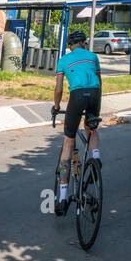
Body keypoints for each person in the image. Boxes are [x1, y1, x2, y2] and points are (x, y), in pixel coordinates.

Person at [51, 28, 102, 215]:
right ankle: (96, 159)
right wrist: (95, 110)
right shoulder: (93, 57)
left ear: (70, 46)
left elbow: (58, 90)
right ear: (83, 43)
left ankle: (63, 197)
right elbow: (99, 82)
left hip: (77, 95)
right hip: (95, 94)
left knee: (68, 140)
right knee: (91, 129)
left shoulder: (63, 60)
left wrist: (56, 106)